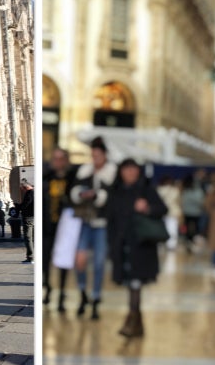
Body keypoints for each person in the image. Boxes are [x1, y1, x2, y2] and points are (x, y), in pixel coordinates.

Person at [106, 158, 167, 338]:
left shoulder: (146, 190)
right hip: (122, 245)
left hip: (141, 247)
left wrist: (147, 208)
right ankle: (137, 324)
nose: (130, 173)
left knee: (135, 283)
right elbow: (111, 220)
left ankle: (131, 321)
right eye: (127, 170)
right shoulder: (116, 191)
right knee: (131, 284)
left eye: (133, 170)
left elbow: (163, 209)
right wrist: (111, 245)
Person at [70, 136, 117, 319]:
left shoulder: (111, 173)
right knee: (79, 260)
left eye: (98, 155)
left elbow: (114, 198)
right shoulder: (85, 171)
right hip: (85, 221)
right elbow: (74, 190)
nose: (95, 158)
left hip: (102, 224)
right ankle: (83, 293)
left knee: (98, 263)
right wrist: (82, 193)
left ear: (104, 155)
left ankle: (96, 298)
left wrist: (98, 195)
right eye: (93, 155)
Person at [44, 146, 77, 311]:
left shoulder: (72, 179)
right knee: (45, 260)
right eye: (54, 158)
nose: (57, 162)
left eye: (60, 158)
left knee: (64, 262)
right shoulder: (46, 177)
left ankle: (62, 294)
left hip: (66, 227)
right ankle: (48, 288)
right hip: (48, 226)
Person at [20, 180, 35, 264]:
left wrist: (18, 206)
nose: (22, 191)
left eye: (22, 189)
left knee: (28, 237)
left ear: (25, 188)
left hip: (28, 217)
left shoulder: (29, 193)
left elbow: (26, 204)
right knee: (34, 237)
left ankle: (31, 257)